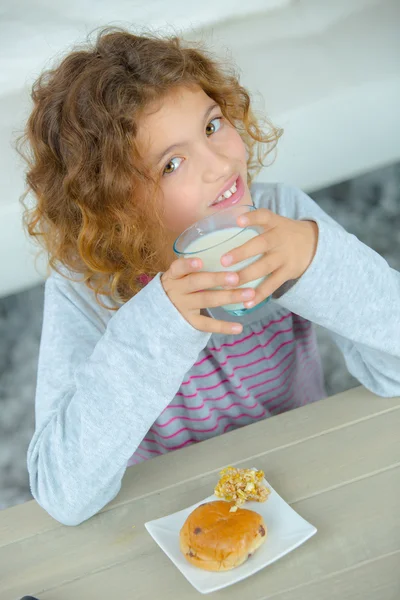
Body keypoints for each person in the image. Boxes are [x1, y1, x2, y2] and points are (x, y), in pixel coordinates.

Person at [20, 28, 400, 526]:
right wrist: (157, 322)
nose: (220, 164)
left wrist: (317, 258)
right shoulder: (85, 293)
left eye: (213, 125)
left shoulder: (278, 216)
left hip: (304, 481)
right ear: (111, 204)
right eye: (172, 163)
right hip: (169, 521)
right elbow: (63, 492)